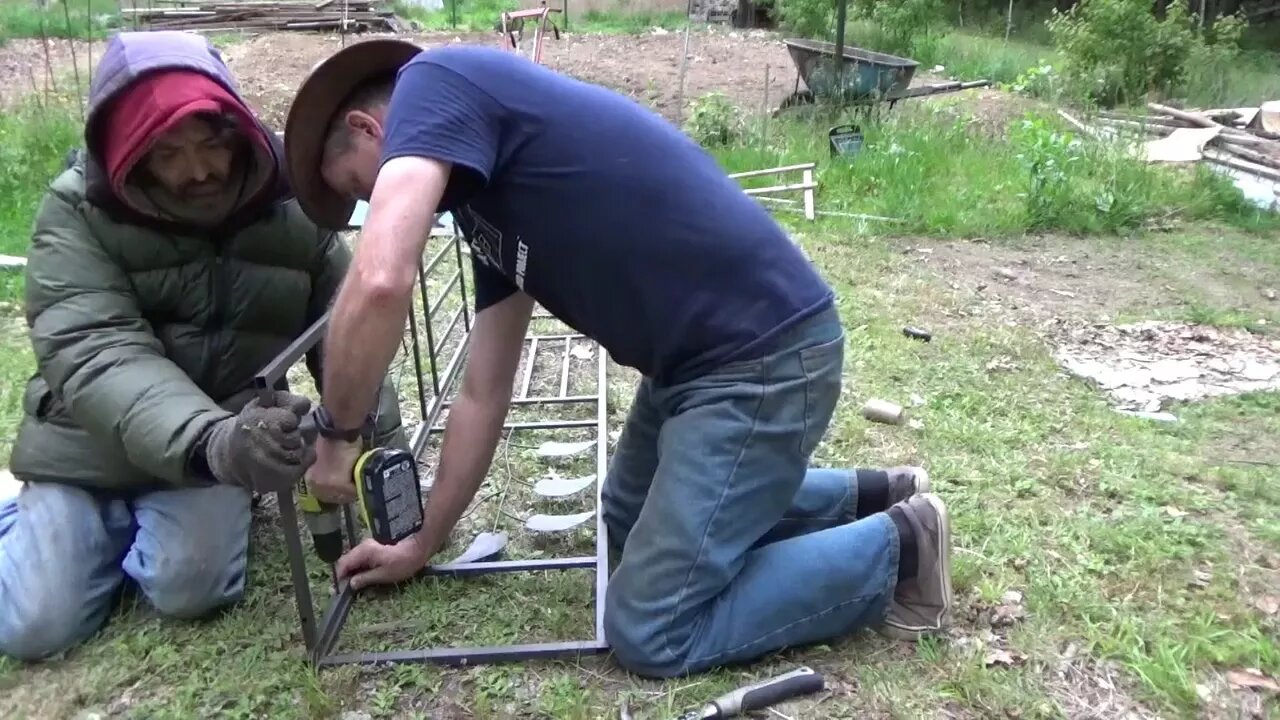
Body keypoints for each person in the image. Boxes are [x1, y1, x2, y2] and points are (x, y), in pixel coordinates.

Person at [284, 39, 954, 679]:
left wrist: (339, 434)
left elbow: (380, 277)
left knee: (651, 626)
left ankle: (904, 546)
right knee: (626, 522)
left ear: (370, 130)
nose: (374, 206)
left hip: (763, 360)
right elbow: (483, 393)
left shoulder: (434, 84)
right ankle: (872, 494)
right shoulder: (484, 205)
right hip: (694, 371)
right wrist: (422, 540)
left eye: (360, 187)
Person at [0, 30, 405, 662]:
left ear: (237, 129)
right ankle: (40, 522)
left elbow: (345, 325)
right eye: (168, 154)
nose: (199, 171)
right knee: (36, 626)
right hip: (94, 449)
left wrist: (379, 453)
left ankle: (99, 541)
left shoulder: (289, 199)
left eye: (212, 144)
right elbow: (98, 352)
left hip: (216, 445)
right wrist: (215, 444)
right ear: (129, 153)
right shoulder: (78, 214)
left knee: (192, 587)